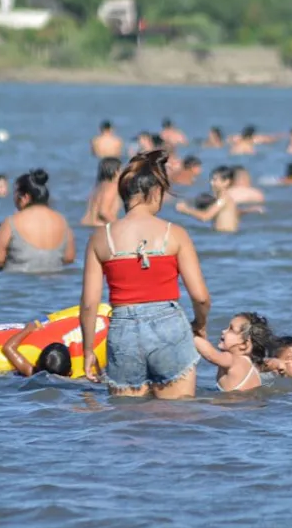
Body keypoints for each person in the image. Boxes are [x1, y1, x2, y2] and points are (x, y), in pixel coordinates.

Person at [80, 150, 211, 398]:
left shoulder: (100, 237)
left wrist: (88, 351)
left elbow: (89, 303)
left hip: (123, 331)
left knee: (126, 417)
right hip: (169, 327)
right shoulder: (175, 233)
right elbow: (201, 297)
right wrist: (200, 324)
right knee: (179, 413)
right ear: (156, 192)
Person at [0, 169, 75, 273]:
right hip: (53, 280)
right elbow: (69, 258)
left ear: (25, 197)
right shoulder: (62, 222)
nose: (14, 198)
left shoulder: (11, 222)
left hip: (18, 280)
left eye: (15, 194)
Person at [194, 313, 274, 392]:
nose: (223, 331)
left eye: (231, 329)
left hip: (233, 399)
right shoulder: (249, 364)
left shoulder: (234, 360)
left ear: (244, 345)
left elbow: (211, 355)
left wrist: (191, 335)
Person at [176, 167, 239, 233]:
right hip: (223, 235)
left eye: (215, 180)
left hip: (225, 236)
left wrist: (186, 209)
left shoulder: (223, 199)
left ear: (226, 182)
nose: (211, 183)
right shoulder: (223, 199)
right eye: (211, 179)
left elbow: (205, 217)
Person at [1, 321, 72, 377]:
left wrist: (27, 329)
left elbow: (8, 348)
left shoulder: (30, 373)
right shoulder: (73, 381)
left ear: (36, 363)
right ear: (70, 372)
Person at [81, 157, 122, 227]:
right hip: (99, 227)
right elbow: (103, 212)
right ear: (116, 171)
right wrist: (121, 226)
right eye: (121, 169)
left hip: (85, 227)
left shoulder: (98, 186)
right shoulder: (112, 186)